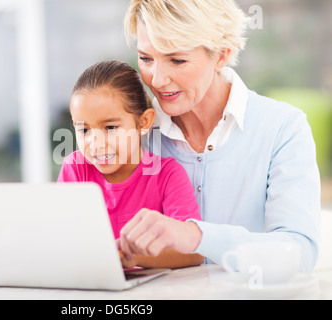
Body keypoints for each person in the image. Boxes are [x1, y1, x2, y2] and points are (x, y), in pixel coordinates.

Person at [118, 0, 321, 273]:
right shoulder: (134, 134)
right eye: (146, 58)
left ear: (221, 55)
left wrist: (196, 236)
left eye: (177, 60)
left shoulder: (282, 129)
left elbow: (299, 252)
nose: (157, 79)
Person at [58, 60, 203, 269]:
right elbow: (59, 238)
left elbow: (194, 252)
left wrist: (133, 259)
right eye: (84, 130)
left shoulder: (167, 175)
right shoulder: (76, 168)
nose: (95, 143)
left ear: (143, 122)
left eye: (110, 127)